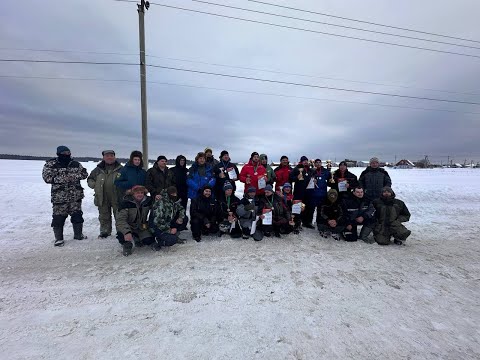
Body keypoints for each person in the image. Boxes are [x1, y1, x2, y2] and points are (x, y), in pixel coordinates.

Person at [42, 145, 89, 247]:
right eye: (64, 153)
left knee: (77, 216)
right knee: (58, 218)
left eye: (68, 152)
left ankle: (78, 235)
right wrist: (64, 179)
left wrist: (73, 176)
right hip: (59, 197)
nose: (67, 154)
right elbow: (47, 178)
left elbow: (84, 174)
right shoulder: (51, 164)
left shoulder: (75, 164)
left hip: (75, 196)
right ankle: (59, 239)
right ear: (59, 154)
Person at [87, 150, 123, 238]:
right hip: (102, 196)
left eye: (111, 155)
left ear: (114, 157)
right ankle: (105, 231)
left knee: (119, 216)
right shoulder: (97, 169)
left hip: (117, 196)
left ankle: (121, 232)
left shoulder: (121, 169)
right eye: (107, 156)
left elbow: (126, 180)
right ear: (103, 157)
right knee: (104, 215)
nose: (109, 157)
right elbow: (90, 179)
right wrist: (94, 185)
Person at [116, 185, 155, 256]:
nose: (140, 194)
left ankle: (137, 237)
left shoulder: (147, 201)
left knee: (148, 240)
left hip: (141, 226)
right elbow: (120, 220)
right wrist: (126, 232)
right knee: (122, 234)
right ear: (133, 194)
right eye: (137, 193)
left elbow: (156, 208)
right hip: (129, 226)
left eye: (141, 193)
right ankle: (127, 245)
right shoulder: (125, 203)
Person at [304, 159, 331, 229]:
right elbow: (306, 179)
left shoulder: (325, 171)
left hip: (322, 194)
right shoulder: (311, 171)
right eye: (317, 163)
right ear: (314, 164)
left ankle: (319, 222)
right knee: (311, 209)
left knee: (320, 210)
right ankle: (309, 222)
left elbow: (330, 180)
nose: (318, 164)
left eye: (319, 162)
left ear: (321, 163)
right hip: (313, 194)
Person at [289, 156, 314, 228]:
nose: (305, 162)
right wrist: (297, 178)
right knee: (297, 207)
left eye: (306, 160)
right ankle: (296, 223)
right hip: (298, 191)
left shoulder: (310, 169)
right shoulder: (296, 168)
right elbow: (291, 178)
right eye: (304, 161)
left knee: (306, 207)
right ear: (301, 161)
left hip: (308, 192)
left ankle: (306, 222)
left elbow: (313, 177)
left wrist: (314, 180)